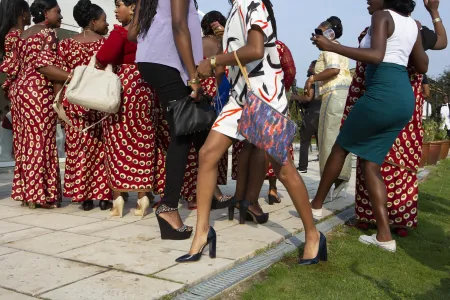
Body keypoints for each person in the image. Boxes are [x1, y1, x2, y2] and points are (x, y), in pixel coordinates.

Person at [177, 0, 325, 265]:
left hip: (264, 95)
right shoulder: (236, 9)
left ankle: (313, 235)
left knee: (282, 168)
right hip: (240, 97)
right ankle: (202, 233)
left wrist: (213, 61)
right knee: (207, 154)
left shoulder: (253, 3)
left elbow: (255, 49)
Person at [311, 0, 428, 252]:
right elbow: (422, 66)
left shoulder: (381, 15)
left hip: (380, 94)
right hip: (402, 99)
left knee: (340, 148)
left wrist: (331, 46)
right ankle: (384, 236)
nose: (367, 0)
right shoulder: (411, 24)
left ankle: (316, 206)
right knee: (371, 165)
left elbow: (376, 55)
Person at [345, 0, 446, 238]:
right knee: (372, 159)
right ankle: (373, 217)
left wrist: (434, 12)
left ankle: (396, 219)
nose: (367, 1)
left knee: (391, 160)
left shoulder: (412, 28)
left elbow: (441, 42)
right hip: (386, 98)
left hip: (391, 98)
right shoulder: (386, 25)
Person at [130, 0, 216, 240]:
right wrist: (193, 76)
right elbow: (179, 26)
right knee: (182, 134)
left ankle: (215, 193)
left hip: (152, 59)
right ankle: (168, 207)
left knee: (192, 126)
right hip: (167, 61)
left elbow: (132, 33)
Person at [95, 0, 160, 219]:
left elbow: (103, 58)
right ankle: (143, 197)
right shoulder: (152, 33)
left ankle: (118, 199)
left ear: (133, 7)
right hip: (147, 87)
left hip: (122, 88)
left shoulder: (121, 33)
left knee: (116, 141)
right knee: (143, 142)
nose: (115, 10)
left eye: (119, 5)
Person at [14, 0, 72, 208]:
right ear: (46, 13)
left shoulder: (22, 35)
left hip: (20, 91)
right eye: (57, 11)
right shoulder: (48, 33)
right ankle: (40, 195)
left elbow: (15, 66)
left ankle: (28, 193)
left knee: (26, 142)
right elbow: (45, 67)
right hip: (38, 91)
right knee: (41, 141)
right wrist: (74, 76)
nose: (61, 16)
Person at [58, 0, 112, 211]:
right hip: (100, 102)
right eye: (103, 20)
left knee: (78, 150)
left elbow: (60, 79)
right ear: (93, 21)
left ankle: (84, 196)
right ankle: (104, 196)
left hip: (74, 103)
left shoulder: (65, 44)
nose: (106, 24)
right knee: (103, 150)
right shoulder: (105, 44)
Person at [231, 40, 296, 207]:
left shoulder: (243, 45)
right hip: (273, 101)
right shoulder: (280, 46)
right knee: (271, 147)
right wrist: (281, 90)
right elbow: (290, 72)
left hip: (248, 100)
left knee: (247, 146)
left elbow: (231, 72)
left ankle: (240, 196)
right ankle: (270, 191)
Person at [180, 10, 231, 210]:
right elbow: (220, 73)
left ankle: (192, 194)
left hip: (192, 91)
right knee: (210, 146)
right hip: (212, 96)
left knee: (192, 148)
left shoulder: (194, 43)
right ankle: (211, 193)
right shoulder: (219, 46)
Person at [306, 16, 352, 203]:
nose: (314, 38)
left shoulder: (330, 47)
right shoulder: (338, 47)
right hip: (340, 95)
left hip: (334, 95)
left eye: (318, 33)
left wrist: (312, 79)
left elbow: (333, 70)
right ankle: (340, 179)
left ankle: (329, 184)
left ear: (328, 33)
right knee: (337, 139)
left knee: (328, 140)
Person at [0, 0, 31, 205]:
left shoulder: (11, 35)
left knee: (23, 144)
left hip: (17, 93)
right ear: (22, 13)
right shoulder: (16, 35)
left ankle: (26, 189)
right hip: (25, 93)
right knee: (30, 144)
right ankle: (31, 190)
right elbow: (11, 68)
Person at [292, 60, 322, 174]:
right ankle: (323, 166)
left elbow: (308, 98)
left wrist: (296, 97)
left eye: (310, 66)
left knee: (304, 142)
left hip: (311, 116)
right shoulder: (322, 81)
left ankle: (303, 167)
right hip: (321, 114)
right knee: (321, 143)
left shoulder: (311, 80)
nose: (308, 68)